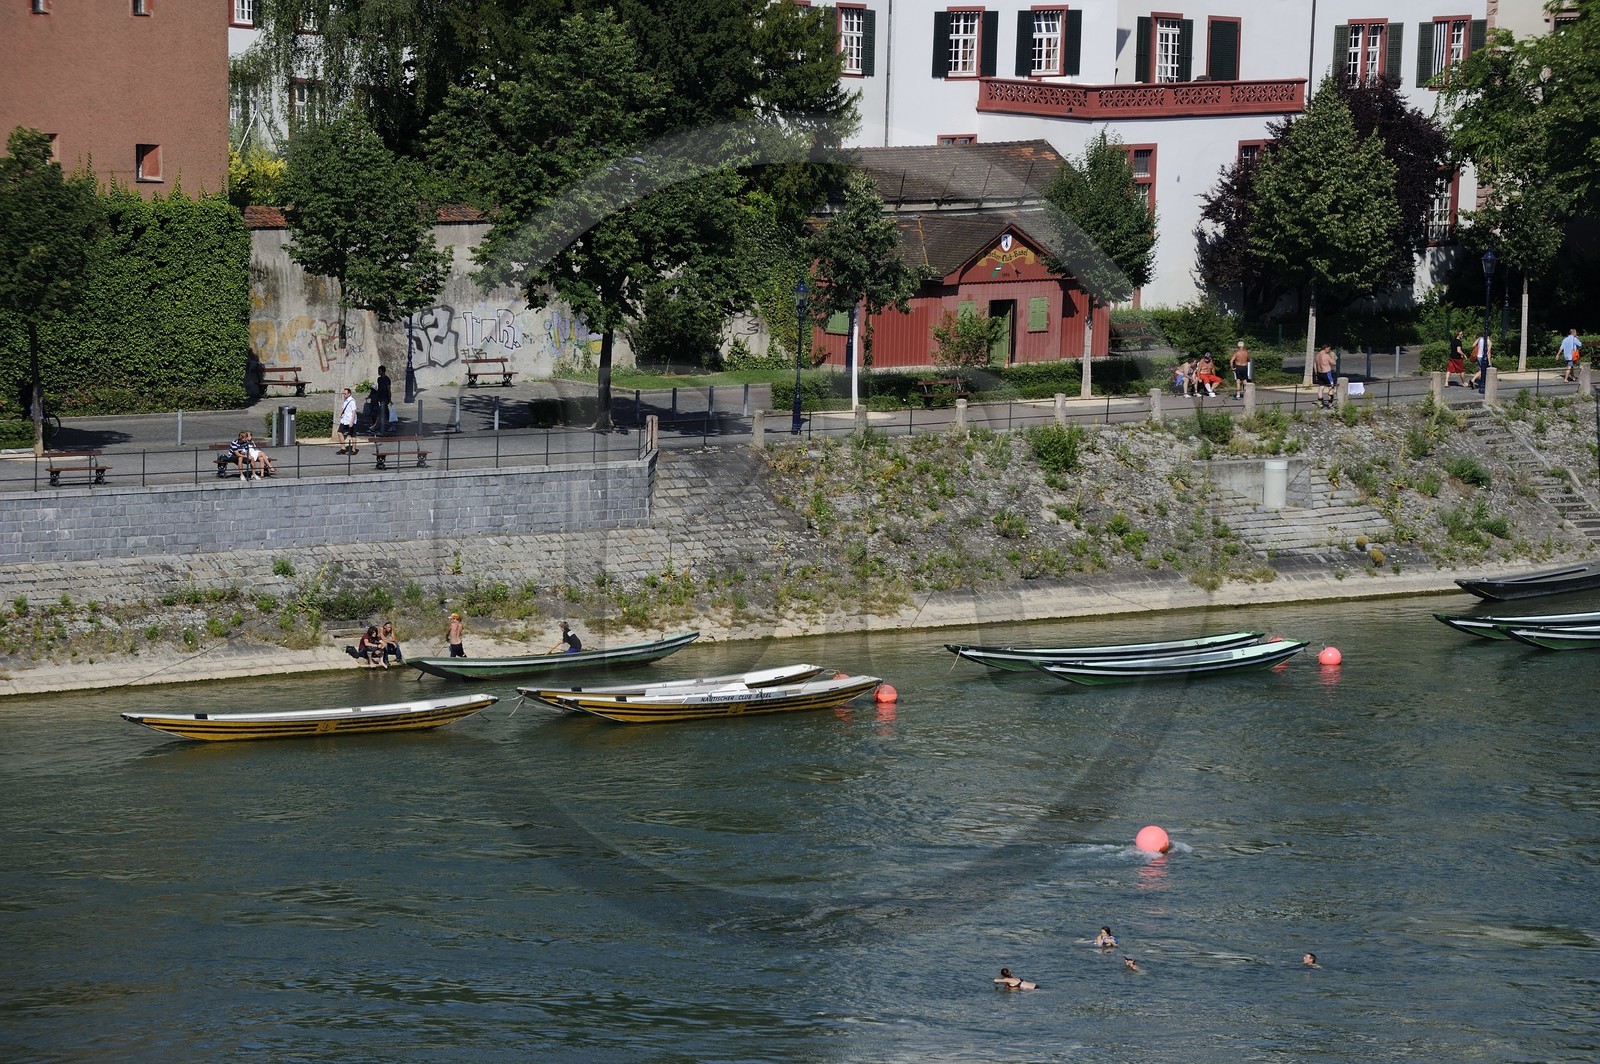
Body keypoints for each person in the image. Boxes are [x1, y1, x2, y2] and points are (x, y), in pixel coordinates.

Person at [336, 388, 359, 455]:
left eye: (345, 394)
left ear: (349, 394)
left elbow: (354, 412)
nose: (344, 395)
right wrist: (341, 413)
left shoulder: (352, 401)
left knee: (353, 435)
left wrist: (352, 421)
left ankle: (354, 449)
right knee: (339, 432)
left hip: (350, 420)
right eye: (343, 393)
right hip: (344, 420)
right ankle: (343, 448)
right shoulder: (345, 400)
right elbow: (344, 408)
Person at [374, 365, 394, 433]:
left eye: (379, 370)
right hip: (381, 397)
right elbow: (379, 388)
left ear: (382, 371)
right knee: (386, 412)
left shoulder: (387, 379)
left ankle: (375, 425)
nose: (378, 372)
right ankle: (391, 425)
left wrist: (390, 399)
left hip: (385, 398)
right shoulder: (379, 379)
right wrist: (377, 396)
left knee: (380, 412)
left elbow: (388, 389)